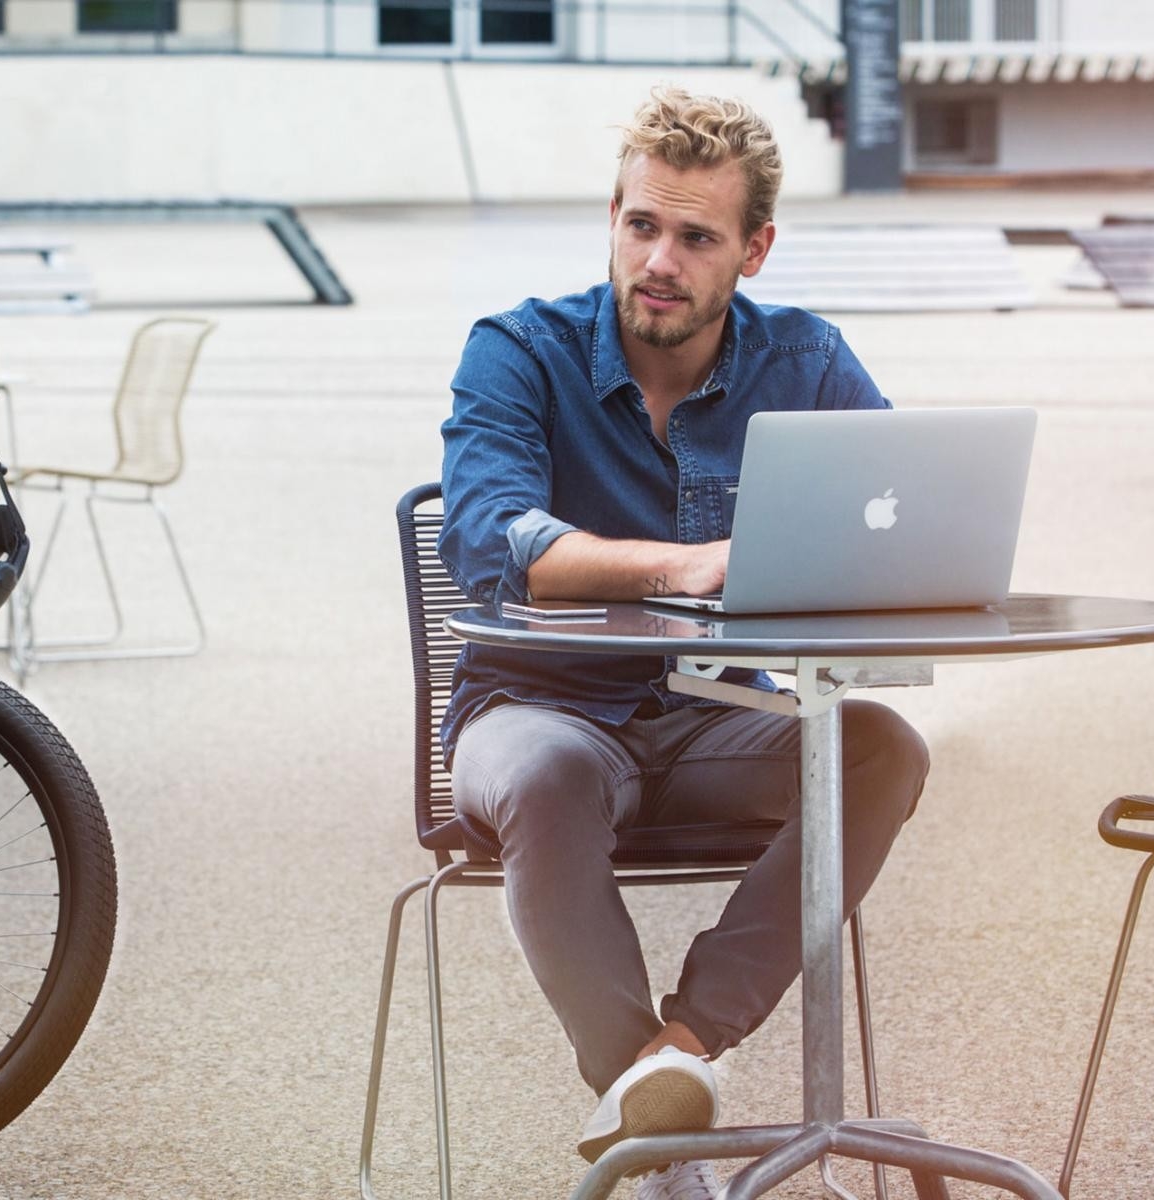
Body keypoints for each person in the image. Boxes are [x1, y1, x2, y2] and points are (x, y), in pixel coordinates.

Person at [437, 85, 931, 1200]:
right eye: (639, 225)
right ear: (611, 216)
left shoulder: (802, 365)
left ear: (752, 250)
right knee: (550, 769)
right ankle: (665, 1156)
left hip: (717, 716)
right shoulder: (517, 351)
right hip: (533, 716)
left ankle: (680, 1060)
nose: (659, 260)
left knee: (879, 748)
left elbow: (897, 512)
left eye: (695, 236)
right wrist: (682, 564)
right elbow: (488, 537)